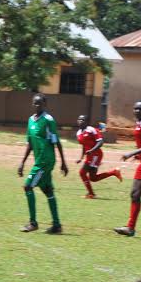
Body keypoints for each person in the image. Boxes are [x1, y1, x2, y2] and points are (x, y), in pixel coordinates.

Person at [17, 94, 67, 233]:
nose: (37, 106)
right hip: (39, 160)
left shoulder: (48, 120)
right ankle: (57, 225)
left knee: (28, 187)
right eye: (35, 103)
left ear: (45, 104)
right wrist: (22, 163)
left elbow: (56, 141)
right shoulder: (30, 121)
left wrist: (63, 162)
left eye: (40, 103)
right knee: (47, 190)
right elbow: (30, 144)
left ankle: (33, 223)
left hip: (45, 161)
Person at [114, 100, 141, 237]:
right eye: (135, 109)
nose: (136, 111)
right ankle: (130, 228)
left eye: (140, 109)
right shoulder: (140, 123)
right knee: (135, 194)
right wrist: (139, 156)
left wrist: (132, 153)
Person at [75, 114, 121, 198]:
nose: (80, 121)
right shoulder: (78, 133)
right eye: (79, 119)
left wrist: (92, 150)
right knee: (93, 178)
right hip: (90, 156)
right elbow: (83, 146)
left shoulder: (92, 130)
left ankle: (91, 194)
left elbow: (100, 142)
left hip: (96, 155)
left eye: (83, 120)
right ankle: (114, 172)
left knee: (82, 173)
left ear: (87, 122)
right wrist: (81, 158)